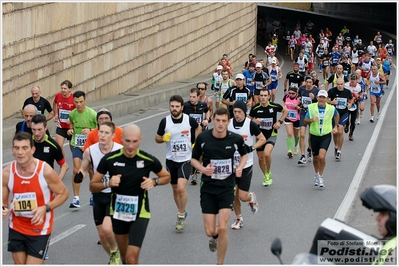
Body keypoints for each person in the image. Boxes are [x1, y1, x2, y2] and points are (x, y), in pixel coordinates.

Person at [90, 124, 170, 264]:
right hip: (118, 213)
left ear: (140, 140)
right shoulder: (110, 159)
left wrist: (154, 181)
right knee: (124, 258)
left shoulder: (147, 160)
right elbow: (92, 185)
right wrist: (107, 184)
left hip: (140, 213)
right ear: (121, 139)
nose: (131, 145)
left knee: (132, 257)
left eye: (135, 141)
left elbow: (166, 177)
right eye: (127, 141)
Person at [191, 107, 248, 265]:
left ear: (228, 122)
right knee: (210, 230)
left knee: (223, 228)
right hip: (208, 188)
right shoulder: (203, 138)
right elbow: (193, 159)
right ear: (213, 120)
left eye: (224, 121)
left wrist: (240, 167)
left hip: (226, 187)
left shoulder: (235, 139)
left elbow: (244, 154)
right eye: (218, 120)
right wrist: (203, 169)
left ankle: (219, 263)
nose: (220, 124)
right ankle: (214, 237)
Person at [2, 132, 69, 264]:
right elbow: (3, 200)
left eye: (24, 148)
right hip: (16, 226)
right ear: (12, 150)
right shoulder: (6, 173)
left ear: (32, 150)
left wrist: (46, 208)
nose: (20, 152)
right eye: (17, 148)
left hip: (40, 228)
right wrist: (3, 208)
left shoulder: (45, 171)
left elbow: (64, 193)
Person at [75, 122, 123, 264]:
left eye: (106, 133)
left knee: (108, 228)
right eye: (100, 132)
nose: (102, 135)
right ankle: (114, 255)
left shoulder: (121, 150)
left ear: (113, 135)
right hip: (99, 194)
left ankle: (115, 250)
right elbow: (84, 168)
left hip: (115, 195)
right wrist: (80, 175)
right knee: (102, 235)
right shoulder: (90, 151)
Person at [155, 95, 201, 231]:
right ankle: (182, 210)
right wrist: (163, 138)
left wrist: (195, 142)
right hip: (171, 160)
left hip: (185, 159)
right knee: (175, 189)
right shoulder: (165, 122)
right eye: (172, 106)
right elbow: (156, 138)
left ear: (182, 107)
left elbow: (198, 128)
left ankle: (181, 215)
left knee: (181, 188)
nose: (174, 109)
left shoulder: (188, 120)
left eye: (176, 106)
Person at [228, 101, 265, 230]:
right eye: (235, 112)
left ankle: (251, 197)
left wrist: (252, 147)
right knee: (233, 194)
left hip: (246, 165)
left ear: (245, 112)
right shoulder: (229, 123)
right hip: (231, 165)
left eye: (239, 112)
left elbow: (262, 139)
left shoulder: (250, 125)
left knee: (242, 196)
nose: (237, 115)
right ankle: (239, 218)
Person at [249, 89, 288, 186]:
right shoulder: (255, 108)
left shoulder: (274, 106)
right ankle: (266, 174)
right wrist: (254, 122)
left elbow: (285, 111)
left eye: (265, 95)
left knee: (267, 154)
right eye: (261, 95)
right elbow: (247, 120)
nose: (263, 97)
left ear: (269, 97)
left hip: (271, 134)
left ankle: (268, 171)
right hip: (260, 136)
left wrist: (279, 122)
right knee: (261, 158)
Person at [67, 91, 98, 208]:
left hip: (90, 145)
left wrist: (91, 131)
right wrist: (70, 131)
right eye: (76, 102)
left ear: (85, 101)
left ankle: (93, 194)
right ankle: (76, 198)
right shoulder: (72, 113)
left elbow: (100, 128)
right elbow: (71, 126)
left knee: (90, 170)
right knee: (76, 170)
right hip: (77, 144)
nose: (78, 104)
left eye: (81, 102)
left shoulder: (92, 114)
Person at [304, 90, 339, 188]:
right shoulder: (311, 108)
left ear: (327, 99)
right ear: (317, 98)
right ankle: (316, 174)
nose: (322, 99)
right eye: (320, 97)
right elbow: (305, 120)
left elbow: (337, 115)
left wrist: (335, 126)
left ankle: (321, 175)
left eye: (324, 98)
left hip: (326, 135)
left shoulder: (331, 108)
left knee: (321, 157)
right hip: (314, 135)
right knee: (315, 158)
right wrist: (311, 120)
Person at [360, 184, 397, 265]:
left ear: (394, 219)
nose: (377, 218)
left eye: (383, 214)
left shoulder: (394, 256)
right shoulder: (392, 243)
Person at [31, 114, 69, 181]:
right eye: (34, 129)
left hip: (46, 183)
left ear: (46, 128)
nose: (36, 133)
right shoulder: (27, 142)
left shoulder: (53, 145)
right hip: (30, 182)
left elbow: (64, 166)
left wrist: (57, 181)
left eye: (39, 129)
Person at [327, 78, 353, 160]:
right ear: (336, 84)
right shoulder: (332, 91)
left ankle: (339, 151)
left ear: (344, 84)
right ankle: (336, 146)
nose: (340, 86)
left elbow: (351, 98)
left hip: (344, 113)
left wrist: (350, 104)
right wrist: (332, 102)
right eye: (338, 84)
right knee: (335, 132)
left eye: (341, 84)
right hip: (334, 114)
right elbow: (325, 100)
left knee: (340, 130)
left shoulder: (347, 92)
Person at [297, 76, 320, 164]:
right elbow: (299, 96)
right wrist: (298, 100)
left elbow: (320, 101)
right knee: (302, 135)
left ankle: (309, 149)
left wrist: (314, 98)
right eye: (307, 82)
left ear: (313, 83)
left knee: (311, 135)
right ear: (305, 82)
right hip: (303, 112)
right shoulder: (301, 88)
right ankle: (302, 156)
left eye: (310, 82)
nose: (309, 84)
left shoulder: (316, 90)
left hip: (312, 113)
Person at [53, 80, 75, 155]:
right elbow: (55, 102)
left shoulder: (74, 98)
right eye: (62, 88)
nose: (63, 90)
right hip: (61, 126)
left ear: (70, 89)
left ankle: (76, 164)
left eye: (65, 88)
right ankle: (63, 164)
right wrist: (55, 114)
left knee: (73, 149)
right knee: (58, 147)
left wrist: (71, 119)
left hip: (71, 127)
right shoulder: (58, 96)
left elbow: (78, 111)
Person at [282, 86, 301, 158]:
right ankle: (289, 150)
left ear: (296, 93)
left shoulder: (299, 98)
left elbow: (302, 109)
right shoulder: (286, 96)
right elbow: (283, 101)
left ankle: (296, 146)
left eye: (293, 93)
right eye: (289, 93)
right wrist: (283, 107)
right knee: (289, 134)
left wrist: (296, 107)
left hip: (297, 118)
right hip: (288, 117)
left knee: (296, 135)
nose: (291, 94)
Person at [344, 74, 362, 141]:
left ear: (356, 80)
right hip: (347, 104)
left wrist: (359, 96)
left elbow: (361, 95)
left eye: (354, 80)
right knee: (346, 118)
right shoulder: (346, 85)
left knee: (353, 121)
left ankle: (351, 134)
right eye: (351, 79)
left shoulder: (358, 87)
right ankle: (346, 125)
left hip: (354, 104)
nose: (352, 81)